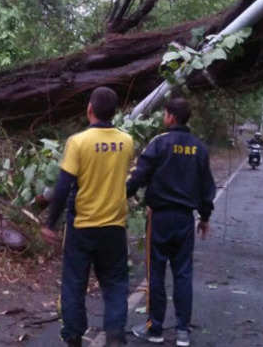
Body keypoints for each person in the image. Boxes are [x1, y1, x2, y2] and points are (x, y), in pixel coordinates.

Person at [41, 87, 134, 347]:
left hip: (82, 226)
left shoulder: (78, 142)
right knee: (115, 283)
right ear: (114, 112)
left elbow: (62, 187)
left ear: (89, 109)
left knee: (74, 284)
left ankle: (73, 336)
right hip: (114, 226)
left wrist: (51, 223)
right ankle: (115, 334)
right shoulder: (126, 142)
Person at [127, 97, 216, 347]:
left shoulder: (159, 143)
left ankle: (154, 328)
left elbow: (138, 176)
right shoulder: (199, 148)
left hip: (160, 218)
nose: (163, 118)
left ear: (171, 117)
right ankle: (182, 332)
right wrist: (205, 217)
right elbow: (207, 187)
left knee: (155, 273)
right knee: (183, 274)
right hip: (186, 220)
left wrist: (121, 196)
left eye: (165, 114)